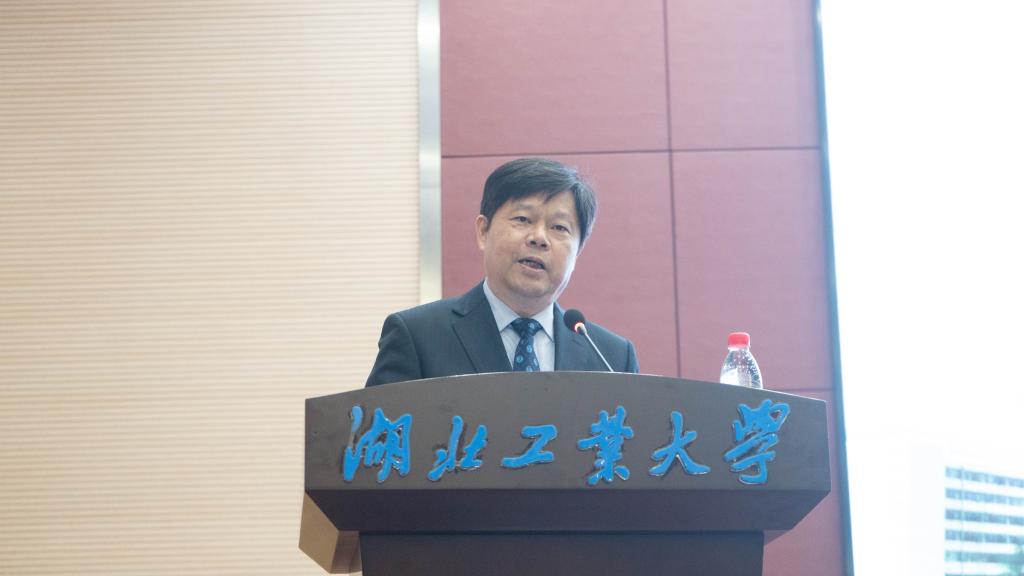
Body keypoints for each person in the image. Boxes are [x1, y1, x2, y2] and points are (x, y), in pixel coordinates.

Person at [365, 157, 638, 386]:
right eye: (523, 219)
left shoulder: (613, 358)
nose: (539, 238)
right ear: (483, 231)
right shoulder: (418, 337)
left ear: (578, 251)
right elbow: (380, 433)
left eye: (559, 227)